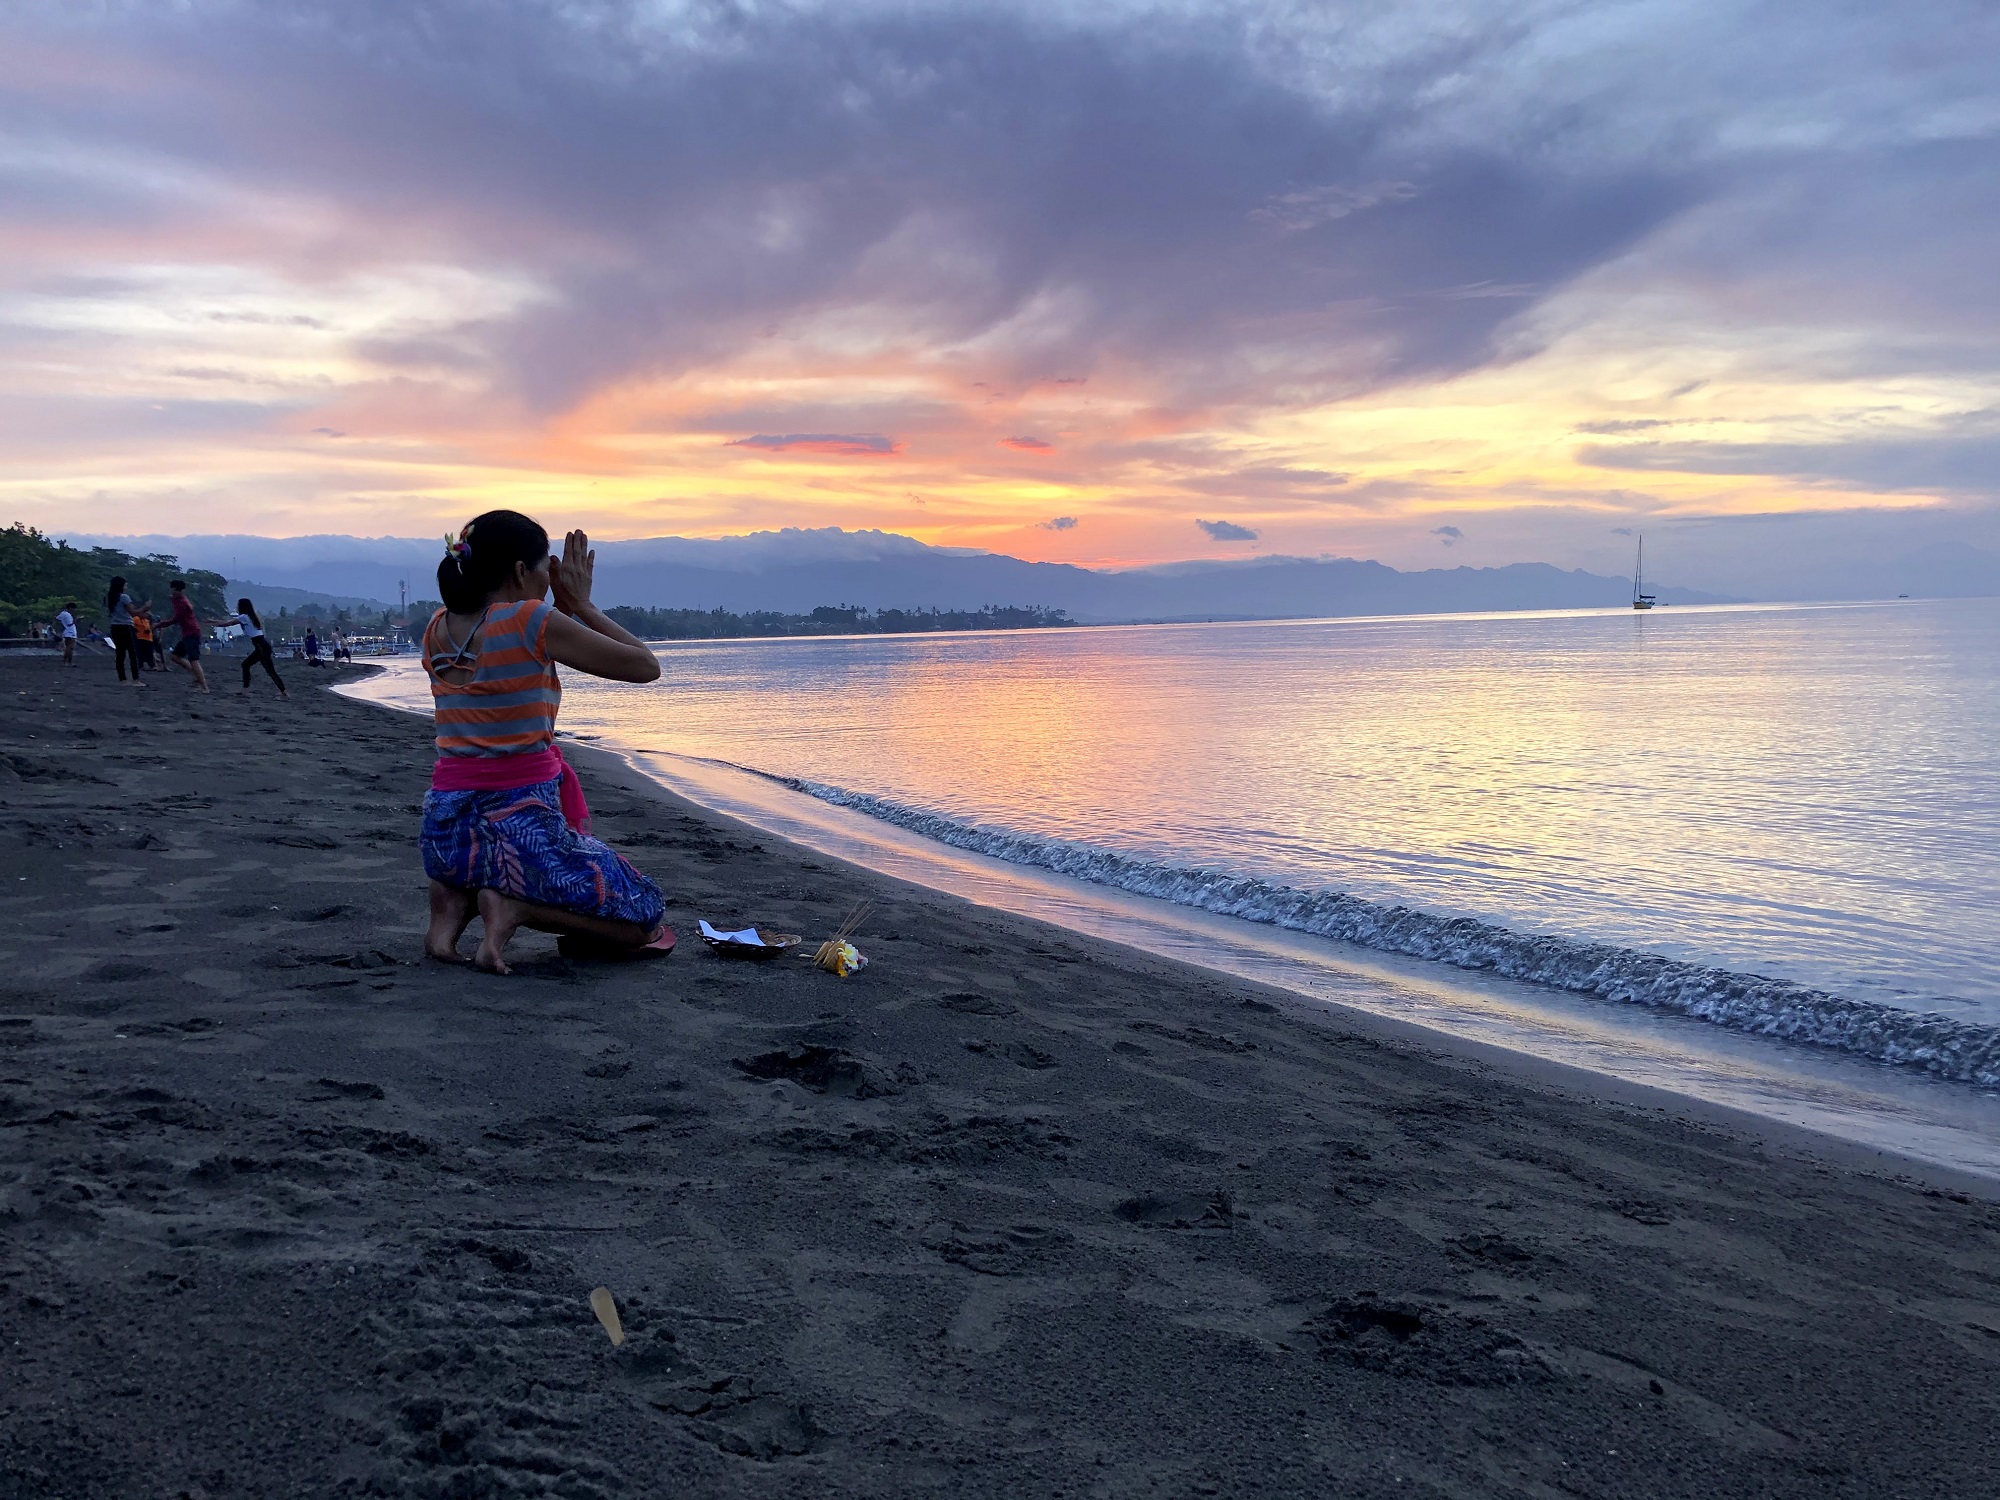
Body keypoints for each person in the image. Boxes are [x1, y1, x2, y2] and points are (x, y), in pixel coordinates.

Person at [419, 510, 669, 973]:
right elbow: (645, 666)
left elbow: (517, 657)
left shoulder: (436, 628)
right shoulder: (531, 619)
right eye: (544, 569)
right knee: (646, 914)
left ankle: (452, 902)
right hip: (519, 827)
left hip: (447, 834)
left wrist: (559, 609)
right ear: (519, 571)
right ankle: (515, 909)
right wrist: (583, 604)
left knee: (486, 869)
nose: (549, 580)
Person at [217, 598, 287, 698]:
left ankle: (284, 692)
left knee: (269, 670)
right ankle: (245, 690)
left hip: (261, 646)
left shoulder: (244, 617)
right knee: (246, 665)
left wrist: (214, 623)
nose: (237, 607)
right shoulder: (252, 616)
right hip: (262, 645)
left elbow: (228, 623)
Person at [165, 579, 210, 693]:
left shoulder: (182, 602)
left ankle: (204, 686)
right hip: (187, 633)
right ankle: (197, 678)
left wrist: (159, 625)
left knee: (194, 660)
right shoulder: (180, 600)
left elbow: (176, 619)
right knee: (175, 656)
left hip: (192, 632)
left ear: (174, 589)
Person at [105, 577, 145, 686]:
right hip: (126, 626)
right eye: (125, 585)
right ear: (121, 586)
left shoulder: (109, 597)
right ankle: (135, 679)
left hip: (115, 626)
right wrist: (145, 607)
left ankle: (122, 679)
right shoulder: (124, 597)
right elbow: (133, 612)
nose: (126, 587)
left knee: (120, 653)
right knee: (133, 653)